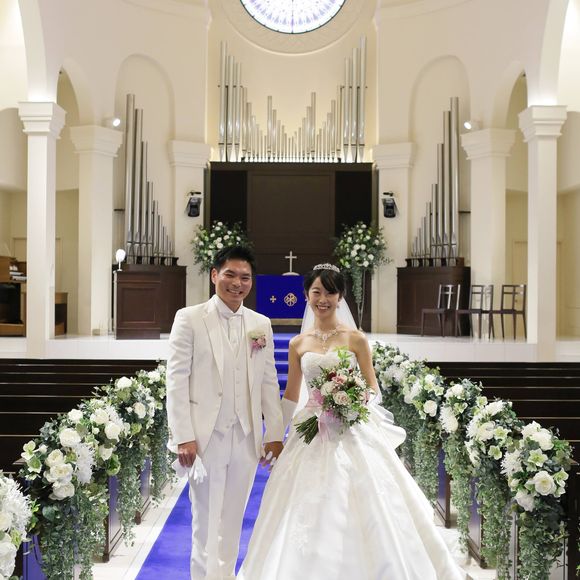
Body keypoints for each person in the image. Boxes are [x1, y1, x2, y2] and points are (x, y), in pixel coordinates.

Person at [237, 263, 465, 580]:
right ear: (306, 295)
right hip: (312, 428)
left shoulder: (356, 339)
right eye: (317, 292)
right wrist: (274, 434)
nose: (323, 299)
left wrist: (350, 400)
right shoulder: (298, 344)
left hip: (351, 426)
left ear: (340, 297)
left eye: (330, 292)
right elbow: (291, 395)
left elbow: (373, 388)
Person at [166, 245, 284, 580]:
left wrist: (275, 434)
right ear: (214, 275)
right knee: (205, 523)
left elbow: (268, 381)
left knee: (233, 522)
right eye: (230, 274)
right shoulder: (189, 318)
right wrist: (183, 436)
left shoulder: (260, 324)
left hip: (246, 438)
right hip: (206, 438)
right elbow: (176, 379)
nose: (237, 283)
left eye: (245, 277)